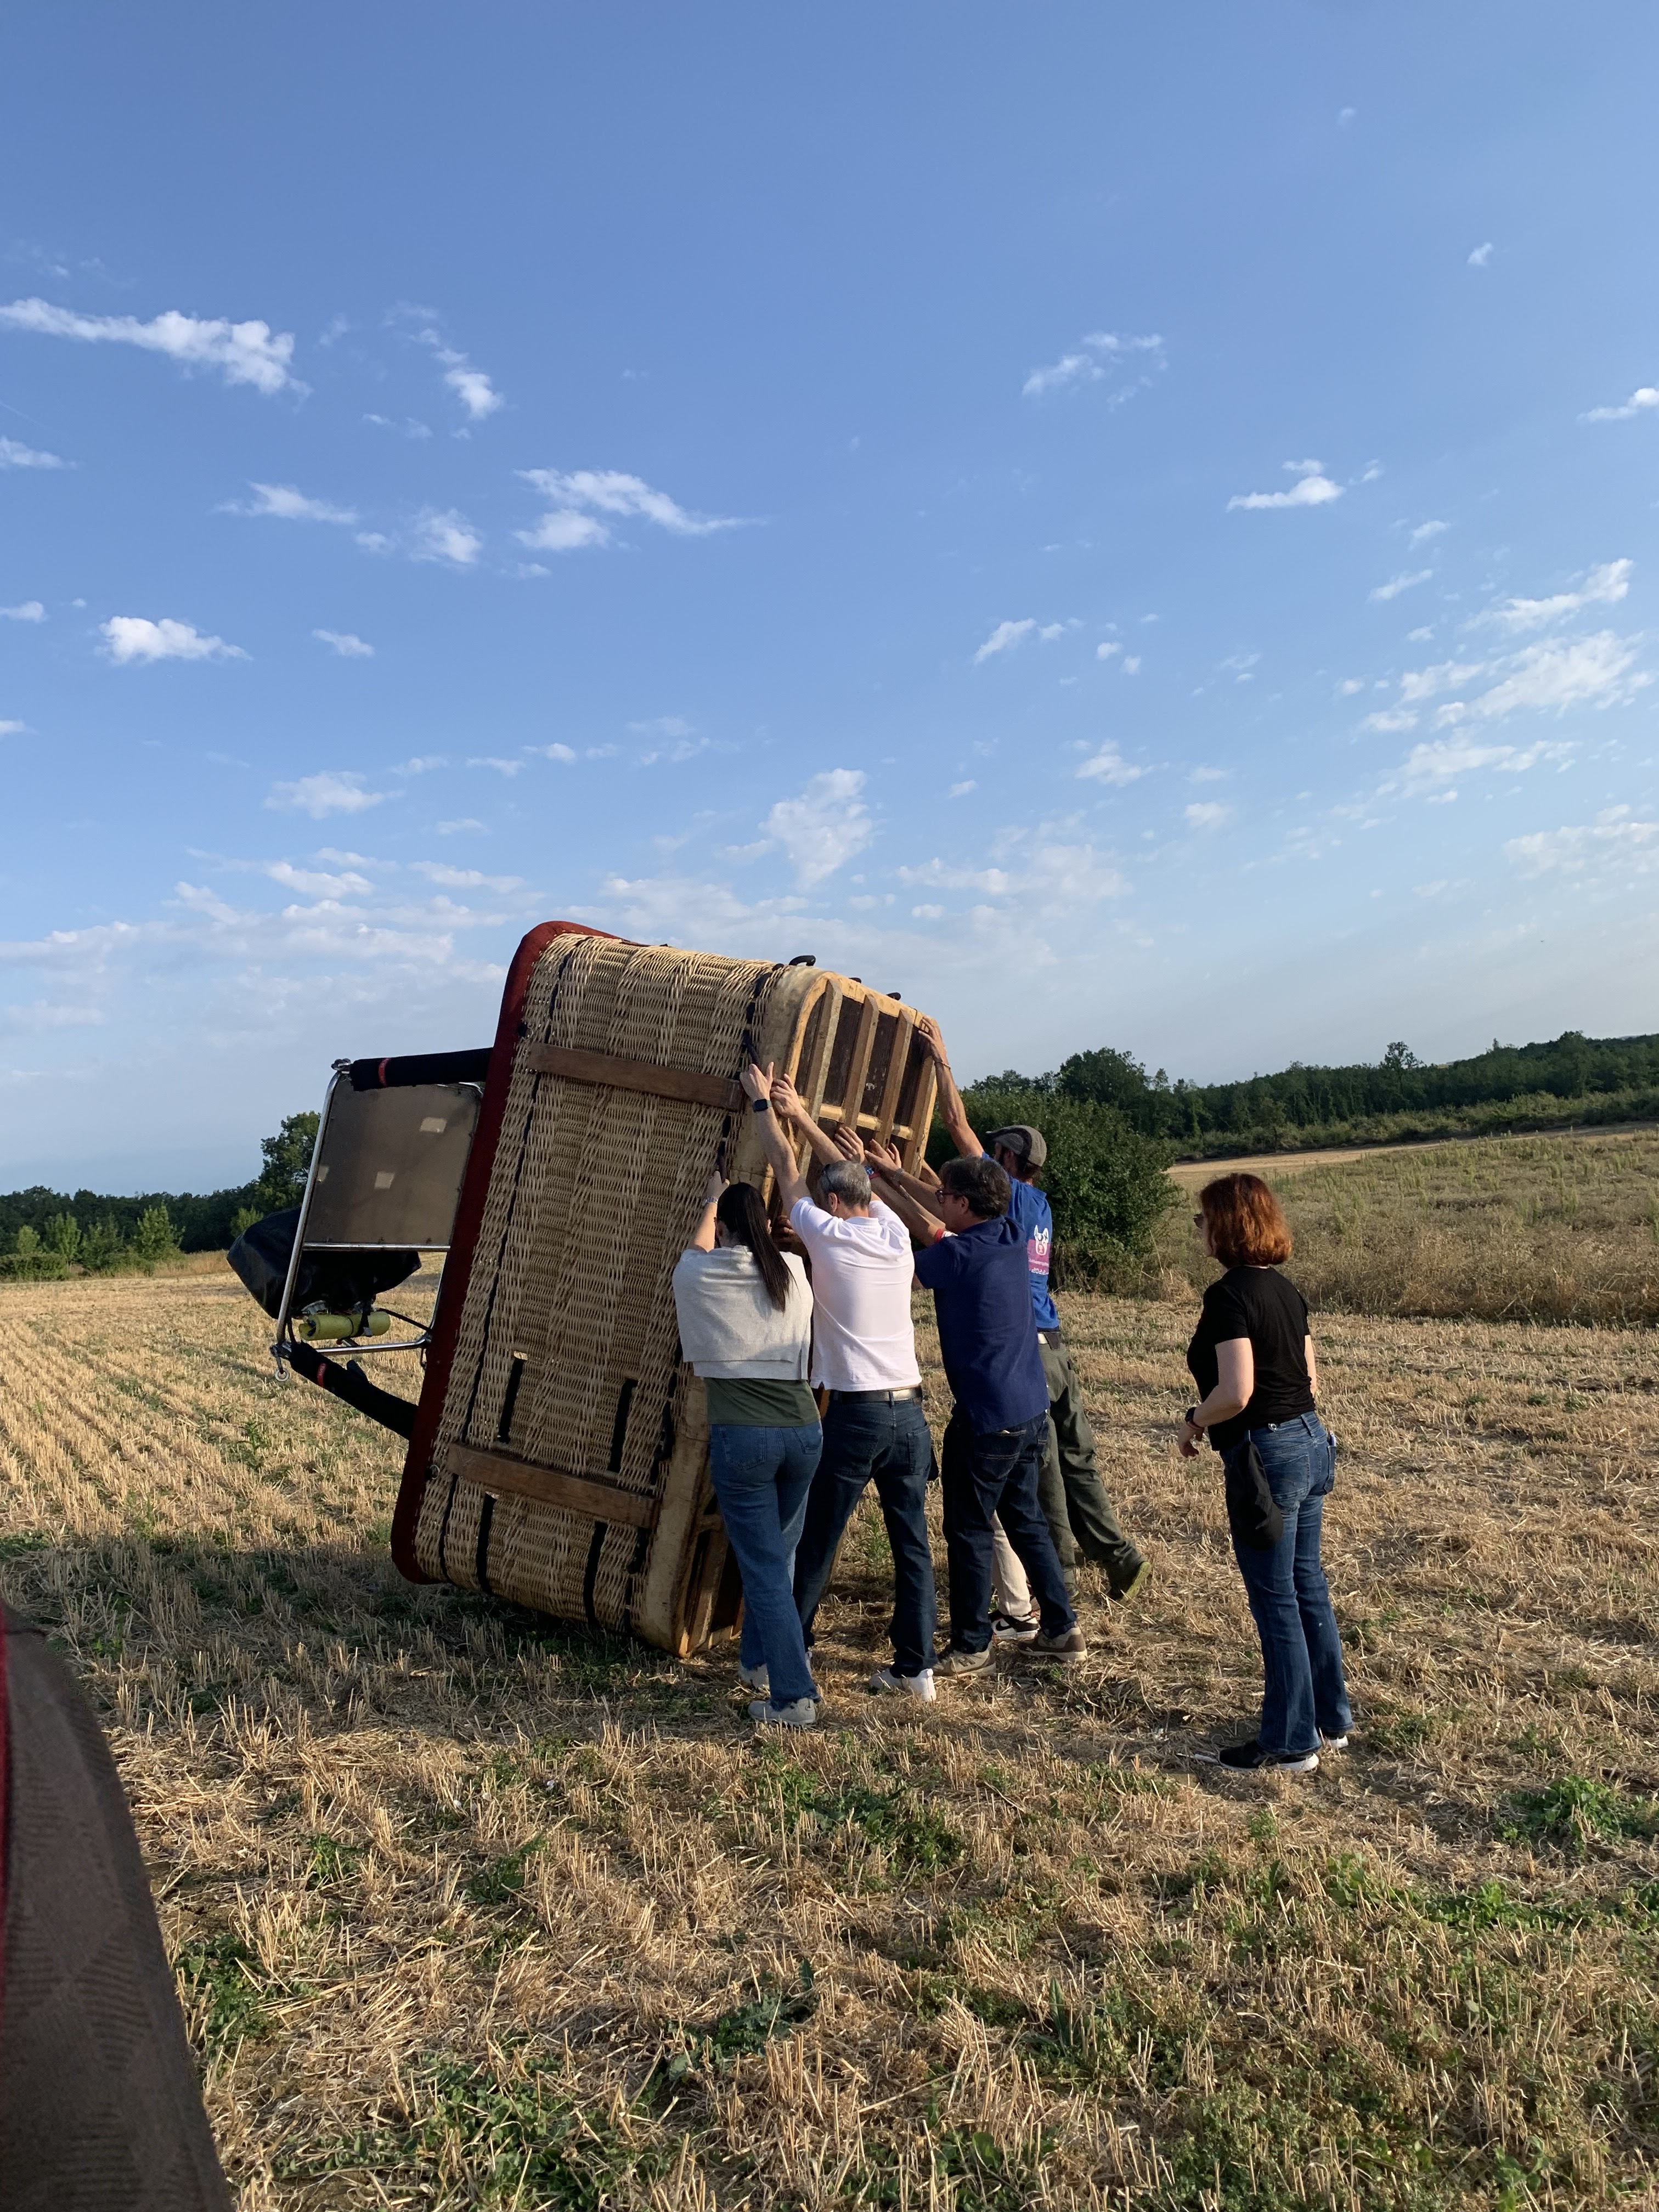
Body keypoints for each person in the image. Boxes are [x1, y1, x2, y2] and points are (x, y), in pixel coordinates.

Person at [910, 1018, 1149, 1623]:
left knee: (1035, 1481)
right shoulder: (1037, 1206)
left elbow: (956, 1127)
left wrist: (940, 1059)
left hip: (1027, 1352)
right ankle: (1116, 1553)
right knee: (1077, 1457)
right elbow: (940, 1205)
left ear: (1008, 1161)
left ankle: (1056, 1584)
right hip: (1055, 1340)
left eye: (993, 1155)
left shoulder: (1005, 1196)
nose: (981, 1160)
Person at [744, 1064, 939, 1703]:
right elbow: (850, 1182)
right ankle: (918, 1671)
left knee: (818, 1542)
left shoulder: (825, 1235)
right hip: (911, 1415)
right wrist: (802, 1114)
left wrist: (764, 1110)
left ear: (830, 1209)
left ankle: (788, 1658)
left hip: (855, 1417)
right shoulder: (892, 1235)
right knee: (911, 1545)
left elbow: (786, 1169)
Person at [883, 1152, 1084, 1675]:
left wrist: (873, 1187)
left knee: (968, 1529)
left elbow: (907, 1253)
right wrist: (896, 1176)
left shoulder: (958, 1257)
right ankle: (1062, 1627)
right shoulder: (1010, 1235)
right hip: (1030, 1408)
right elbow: (935, 1220)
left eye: (946, 1192)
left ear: (964, 1204)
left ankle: (973, 1645)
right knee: (1025, 1520)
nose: (939, 1197)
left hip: (988, 1417)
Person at [1179, 1171, 1351, 1774]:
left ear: (1226, 1226)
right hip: (1310, 1440)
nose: (1197, 1229)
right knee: (1308, 1587)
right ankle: (1329, 1721)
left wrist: (1195, 1422)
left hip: (1267, 1455)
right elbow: (1311, 1376)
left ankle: (1289, 1741)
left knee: (1275, 1598)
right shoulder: (1287, 1291)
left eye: (1202, 1219)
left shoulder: (1228, 1298)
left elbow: (1237, 1390)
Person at [671, 1164, 821, 1728]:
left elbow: (698, 1245)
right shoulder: (793, 1271)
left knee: (761, 1567)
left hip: (745, 1438)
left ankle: (794, 1697)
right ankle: (761, 1661)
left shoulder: (701, 1274)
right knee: (778, 1558)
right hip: (805, 1432)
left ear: (728, 1226)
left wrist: (711, 1199)